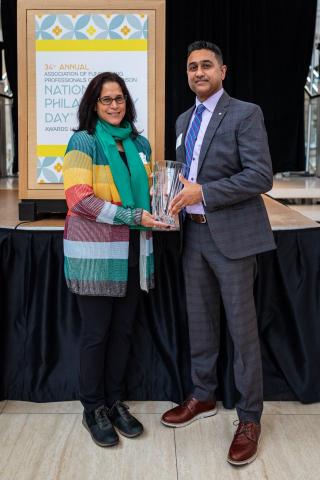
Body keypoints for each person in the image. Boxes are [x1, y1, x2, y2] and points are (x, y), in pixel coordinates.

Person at [161, 41, 276, 465]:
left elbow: (260, 175)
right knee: (201, 323)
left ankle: (249, 418)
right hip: (193, 236)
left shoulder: (246, 113)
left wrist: (203, 192)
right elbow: (182, 179)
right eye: (192, 67)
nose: (198, 72)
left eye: (206, 65)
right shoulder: (183, 119)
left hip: (234, 238)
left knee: (242, 332)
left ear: (223, 71)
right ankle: (203, 395)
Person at [63, 72, 166, 447]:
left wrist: (163, 208)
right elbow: (79, 199)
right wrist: (132, 216)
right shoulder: (83, 141)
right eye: (106, 99)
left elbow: (150, 196)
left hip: (136, 249)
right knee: (96, 334)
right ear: (94, 104)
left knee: (123, 332)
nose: (114, 105)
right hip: (94, 254)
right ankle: (93, 408)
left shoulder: (140, 144)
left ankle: (113, 400)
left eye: (119, 98)